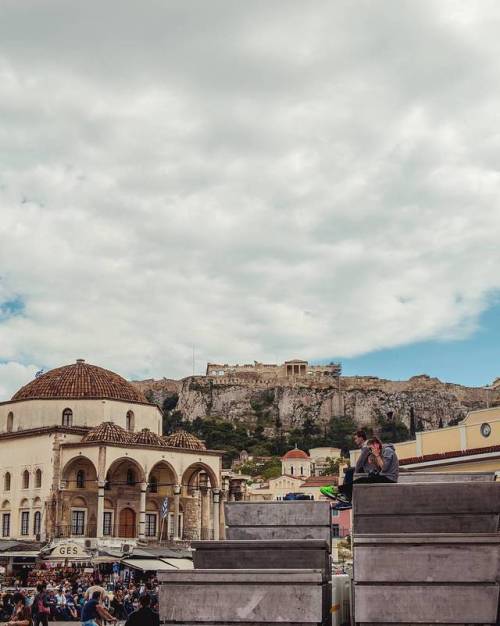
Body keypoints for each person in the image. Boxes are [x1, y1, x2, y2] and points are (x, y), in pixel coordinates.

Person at [329, 436, 399, 509]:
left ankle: (338, 490)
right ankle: (347, 498)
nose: (370, 450)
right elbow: (380, 469)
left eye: (371, 448)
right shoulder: (380, 451)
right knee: (363, 478)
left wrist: (377, 456)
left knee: (361, 480)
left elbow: (384, 468)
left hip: (389, 478)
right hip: (384, 476)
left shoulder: (388, 450)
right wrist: (374, 461)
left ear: (376, 445)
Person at [320, 430, 370, 500]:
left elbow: (360, 461)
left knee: (349, 472)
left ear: (361, 438)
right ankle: (345, 494)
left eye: (356, 438)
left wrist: (356, 471)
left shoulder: (366, 446)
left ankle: (347, 496)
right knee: (349, 471)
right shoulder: (365, 447)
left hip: (368, 470)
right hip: (366, 468)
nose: (355, 441)